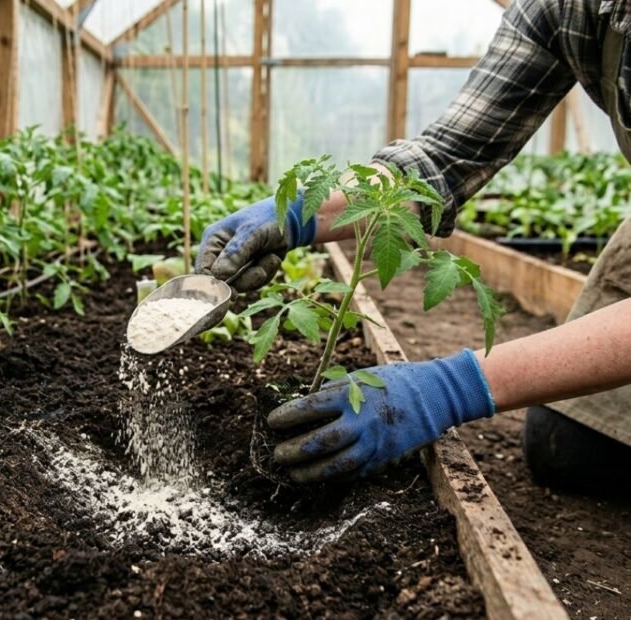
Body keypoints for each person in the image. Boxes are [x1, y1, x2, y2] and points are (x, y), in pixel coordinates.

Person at [196, 0, 631, 493]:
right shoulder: (564, 8)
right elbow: (444, 158)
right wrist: (297, 216)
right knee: (569, 448)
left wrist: (451, 389)